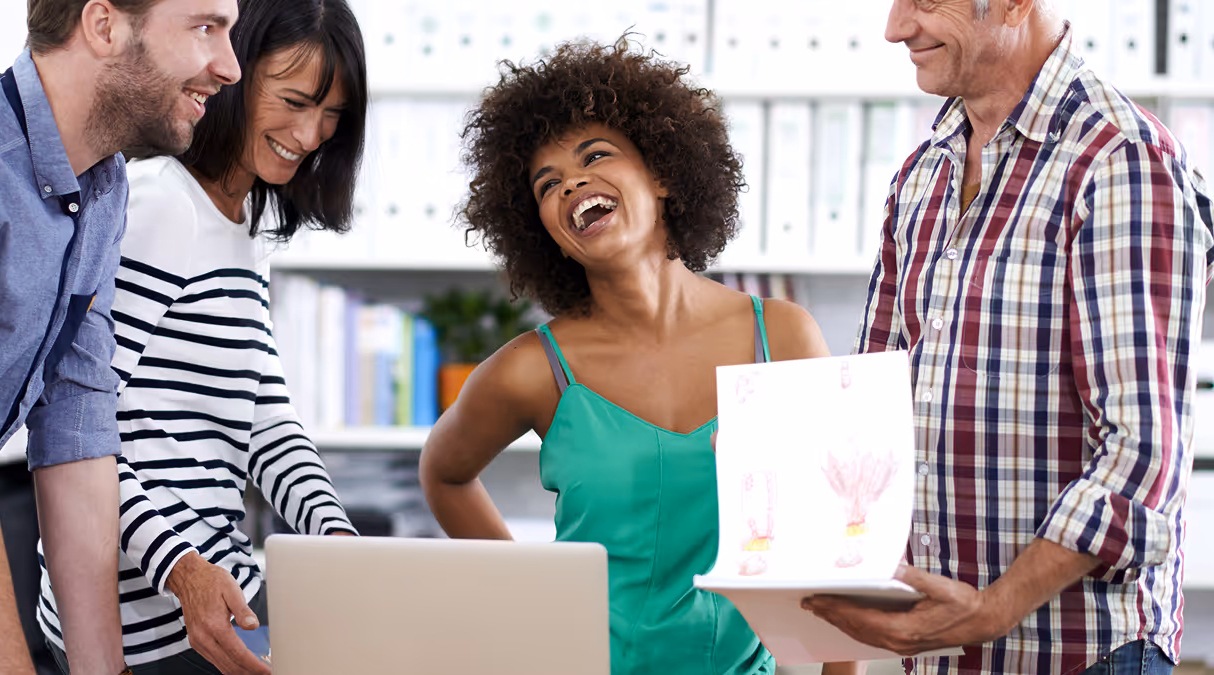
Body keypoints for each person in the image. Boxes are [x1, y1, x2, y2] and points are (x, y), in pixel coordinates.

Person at [419, 39, 860, 675]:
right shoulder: (532, 370)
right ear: (544, 234)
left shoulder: (784, 339)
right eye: (547, 185)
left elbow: (835, 537)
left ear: (662, 172)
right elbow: (444, 473)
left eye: (595, 155)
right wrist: (529, 597)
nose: (570, 182)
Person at [803, 1, 1214, 674]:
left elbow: (1143, 458)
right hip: (940, 656)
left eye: (923, 2)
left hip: (1082, 657)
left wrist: (992, 608)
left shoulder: (1120, 161)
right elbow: (869, 411)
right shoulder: (921, 175)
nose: (896, 28)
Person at [0, 0, 240, 672]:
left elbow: (76, 432)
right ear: (103, 25)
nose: (230, 66)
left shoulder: (101, 185)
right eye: (206, 27)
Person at [35, 1, 365, 674]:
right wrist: (180, 565)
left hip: (217, 607)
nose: (309, 134)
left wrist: (337, 539)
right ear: (234, 76)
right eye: (296, 100)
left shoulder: (243, 231)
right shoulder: (161, 203)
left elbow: (266, 423)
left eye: (332, 114)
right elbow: (76, 428)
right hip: (138, 628)